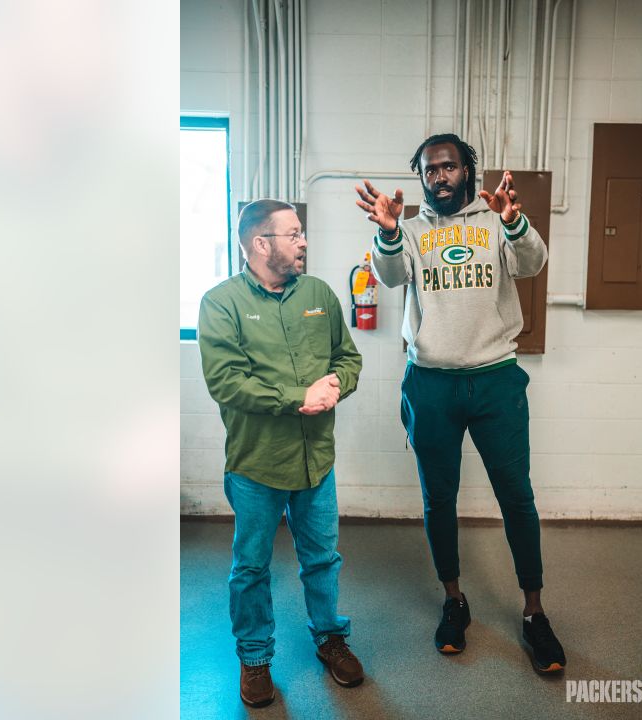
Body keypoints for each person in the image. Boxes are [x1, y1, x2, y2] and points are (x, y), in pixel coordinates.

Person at [353, 133, 567, 673]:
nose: (439, 177)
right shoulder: (413, 230)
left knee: (517, 497)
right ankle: (455, 600)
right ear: (421, 176)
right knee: (438, 499)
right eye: (430, 170)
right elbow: (391, 274)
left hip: (495, 378)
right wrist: (387, 233)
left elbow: (532, 264)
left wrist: (514, 221)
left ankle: (535, 613)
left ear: (467, 171)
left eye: (449, 167)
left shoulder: (496, 219)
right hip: (431, 383)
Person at [198, 199, 365, 707]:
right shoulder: (220, 302)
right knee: (251, 566)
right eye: (293, 234)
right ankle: (254, 658)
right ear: (260, 244)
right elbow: (225, 381)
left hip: (317, 462)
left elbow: (348, 356)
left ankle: (330, 639)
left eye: (302, 233)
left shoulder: (318, 293)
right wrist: (298, 399)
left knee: (322, 559)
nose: (303, 242)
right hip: (257, 465)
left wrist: (338, 382)